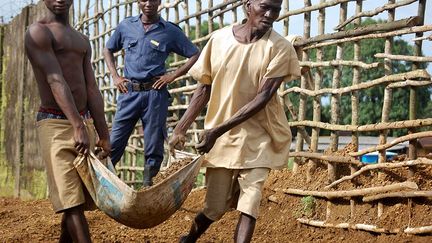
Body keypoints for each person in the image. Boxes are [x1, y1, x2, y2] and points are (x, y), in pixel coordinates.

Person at [169, 0, 300, 242]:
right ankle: (188, 239)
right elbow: (203, 87)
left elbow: (263, 97)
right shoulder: (219, 40)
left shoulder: (280, 48)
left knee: (250, 202)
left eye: (276, 9)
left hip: (260, 136)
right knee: (214, 208)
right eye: (265, 7)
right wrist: (181, 127)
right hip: (223, 139)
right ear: (248, 5)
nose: (270, 14)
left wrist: (216, 131)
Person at [24, 0, 111, 242]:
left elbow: (92, 88)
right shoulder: (37, 32)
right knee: (70, 202)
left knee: (78, 201)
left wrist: (103, 133)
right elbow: (54, 79)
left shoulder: (82, 40)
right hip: (55, 123)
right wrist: (77, 125)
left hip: (82, 124)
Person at [103, 0, 200, 187]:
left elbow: (194, 54)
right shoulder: (126, 26)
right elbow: (108, 49)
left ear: (160, 2)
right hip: (129, 93)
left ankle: (148, 189)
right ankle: (102, 187)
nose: (148, 3)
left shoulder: (169, 31)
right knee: (114, 142)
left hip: (155, 95)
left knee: (154, 145)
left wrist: (172, 76)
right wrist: (115, 76)